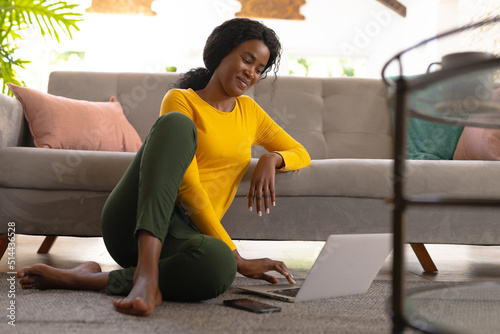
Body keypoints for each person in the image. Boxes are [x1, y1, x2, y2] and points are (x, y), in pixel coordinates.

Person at [17, 18, 311, 316]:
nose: (251, 73)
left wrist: (271, 158)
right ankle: (145, 276)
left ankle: (88, 278)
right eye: (247, 60)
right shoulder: (181, 100)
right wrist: (242, 258)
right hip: (132, 220)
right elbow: (189, 187)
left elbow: (300, 152)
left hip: (182, 234)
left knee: (219, 266)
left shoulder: (250, 113)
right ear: (222, 51)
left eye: (259, 69)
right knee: (175, 125)